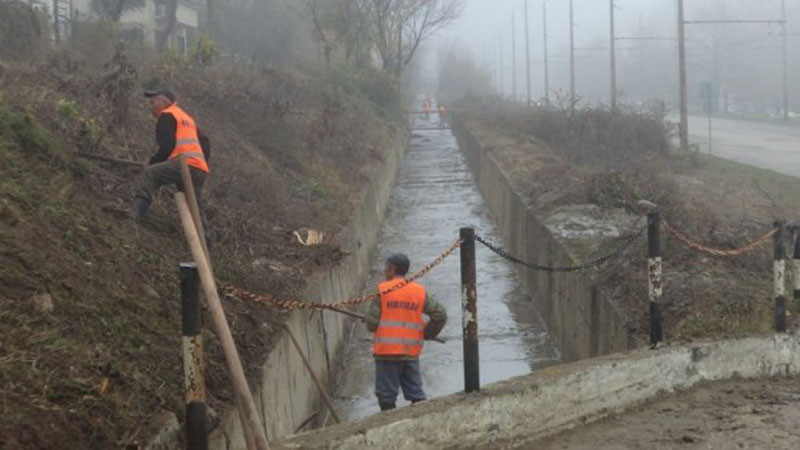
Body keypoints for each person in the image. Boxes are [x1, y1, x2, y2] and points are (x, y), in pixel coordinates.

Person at [366, 253, 447, 411]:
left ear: (392, 269)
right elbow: (440, 314)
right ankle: (422, 424)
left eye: (386, 267)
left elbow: (372, 324)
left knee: (386, 396)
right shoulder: (418, 291)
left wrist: (370, 319)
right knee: (416, 394)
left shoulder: (382, 290)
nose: (384, 271)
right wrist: (427, 334)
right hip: (410, 351)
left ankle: (388, 427)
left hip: (387, 353)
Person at [131, 88, 211, 219]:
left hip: (184, 164)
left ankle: (136, 213)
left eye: (153, 103)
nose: (150, 107)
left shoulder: (167, 115)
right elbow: (205, 142)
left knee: (149, 173)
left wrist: (152, 162)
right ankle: (205, 238)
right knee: (195, 209)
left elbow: (167, 147)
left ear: (164, 101)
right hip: (199, 169)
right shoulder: (186, 118)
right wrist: (200, 164)